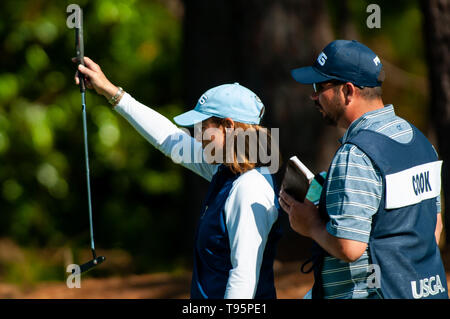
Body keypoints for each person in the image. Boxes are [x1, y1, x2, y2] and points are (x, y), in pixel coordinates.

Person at [74, 57, 282, 299]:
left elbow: (243, 278)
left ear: (227, 126)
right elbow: (170, 138)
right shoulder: (226, 171)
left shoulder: (248, 188)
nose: (197, 135)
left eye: (203, 126)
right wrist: (111, 92)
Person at [279, 40, 448, 299]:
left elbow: (349, 247)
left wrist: (310, 224)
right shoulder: (421, 143)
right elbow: (434, 228)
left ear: (347, 91)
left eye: (319, 87)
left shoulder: (355, 155)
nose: (313, 96)